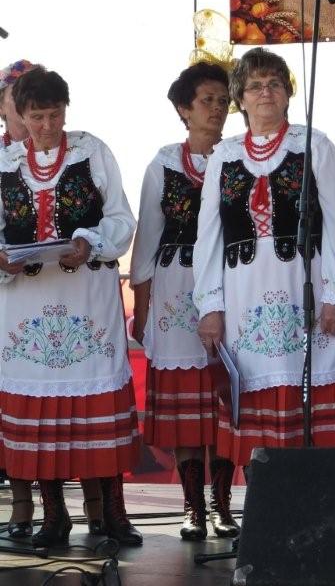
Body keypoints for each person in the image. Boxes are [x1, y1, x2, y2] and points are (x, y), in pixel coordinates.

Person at [193, 48, 335, 464]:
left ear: (287, 94)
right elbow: (208, 237)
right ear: (240, 99)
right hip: (244, 297)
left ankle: (316, 498)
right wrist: (210, 307)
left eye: (274, 84)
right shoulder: (224, 156)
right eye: (255, 86)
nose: (265, 92)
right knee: (256, 415)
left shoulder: (315, 145)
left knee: (311, 406)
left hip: (305, 289)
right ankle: (264, 500)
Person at [0, 67, 141, 546]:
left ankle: (114, 515)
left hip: (87, 298)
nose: (46, 125)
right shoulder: (5, 163)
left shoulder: (91, 150)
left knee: (95, 400)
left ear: (66, 110)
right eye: (36, 116)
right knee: (41, 410)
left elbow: (121, 217)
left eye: (54, 114)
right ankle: (54, 516)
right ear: (20, 115)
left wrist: (89, 241)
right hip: (26, 304)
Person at [130, 62, 239, 541]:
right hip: (176, 286)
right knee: (185, 409)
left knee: (225, 400)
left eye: (223, 101)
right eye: (206, 100)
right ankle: (193, 506)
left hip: (233, 284)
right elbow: (147, 239)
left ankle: (222, 504)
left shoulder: (240, 158)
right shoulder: (163, 165)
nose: (216, 109)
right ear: (183, 109)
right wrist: (142, 307)